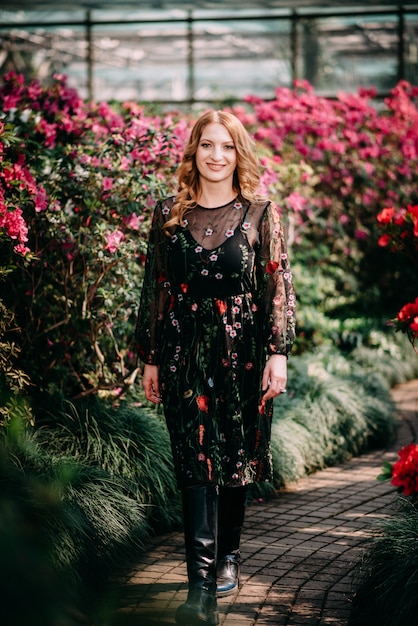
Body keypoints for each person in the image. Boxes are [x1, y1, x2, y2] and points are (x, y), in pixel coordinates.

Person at [135, 109, 296, 626]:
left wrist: (278, 353)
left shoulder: (259, 214)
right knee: (193, 461)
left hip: (243, 353)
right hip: (184, 352)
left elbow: (277, 287)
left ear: (238, 153)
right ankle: (200, 586)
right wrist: (152, 359)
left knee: (233, 457)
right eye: (207, 145)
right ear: (194, 152)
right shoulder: (168, 216)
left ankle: (228, 553)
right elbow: (154, 290)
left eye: (227, 146)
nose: (217, 155)